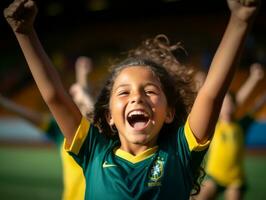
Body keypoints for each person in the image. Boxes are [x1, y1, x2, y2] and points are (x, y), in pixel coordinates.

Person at [3, 0, 260, 199]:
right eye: (124, 92)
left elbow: (212, 94)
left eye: (150, 91)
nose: (137, 97)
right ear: (109, 117)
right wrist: (25, 33)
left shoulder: (180, 152)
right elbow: (55, 96)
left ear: (169, 113)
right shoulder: (94, 151)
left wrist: (239, 20)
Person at [0, 55, 94, 200]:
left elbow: (87, 113)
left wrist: (82, 76)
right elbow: (32, 117)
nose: (77, 106)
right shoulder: (60, 130)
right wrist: (5, 104)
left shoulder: (98, 134)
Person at [194, 63, 265, 200]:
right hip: (214, 176)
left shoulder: (241, 125)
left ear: (234, 105)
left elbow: (254, 105)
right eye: (224, 103)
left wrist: (254, 79)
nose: (227, 105)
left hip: (235, 180)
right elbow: (203, 102)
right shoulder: (214, 125)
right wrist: (200, 84)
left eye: (230, 102)